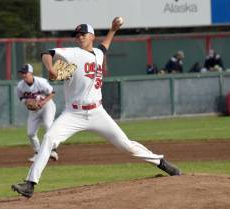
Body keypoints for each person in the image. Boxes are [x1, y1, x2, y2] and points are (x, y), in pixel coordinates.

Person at [12, 17, 181, 198]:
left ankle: (161, 163)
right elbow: (46, 53)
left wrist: (113, 29)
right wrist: (51, 68)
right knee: (49, 138)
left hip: (97, 112)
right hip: (73, 113)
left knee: (126, 146)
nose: (79, 37)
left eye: (83, 34)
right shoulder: (73, 53)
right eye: (77, 35)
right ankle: (30, 184)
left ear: (91, 36)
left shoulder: (98, 54)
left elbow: (104, 46)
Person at [17, 63, 58, 162]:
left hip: (47, 106)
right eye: (22, 73)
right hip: (34, 110)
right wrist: (27, 102)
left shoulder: (41, 82)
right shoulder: (20, 86)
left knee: (48, 126)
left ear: (31, 73)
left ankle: (53, 150)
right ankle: (38, 153)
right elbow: (21, 97)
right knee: (30, 133)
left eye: (25, 73)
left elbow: (52, 93)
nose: (23, 75)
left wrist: (42, 102)